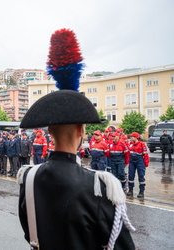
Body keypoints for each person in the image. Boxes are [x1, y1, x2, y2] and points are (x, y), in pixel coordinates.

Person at [17, 29, 135, 249]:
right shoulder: (98, 185)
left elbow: (29, 231)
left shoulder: (29, 178)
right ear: (81, 129)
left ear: (49, 131)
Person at [127, 132, 149, 198]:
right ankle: (130, 190)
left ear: (136, 137)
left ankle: (141, 191)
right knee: (130, 176)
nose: (130, 138)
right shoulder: (130, 144)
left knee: (141, 176)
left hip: (139, 161)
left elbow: (146, 155)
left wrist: (145, 164)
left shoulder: (142, 144)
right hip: (132, 161)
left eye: (131, 137)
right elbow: (128, 153)